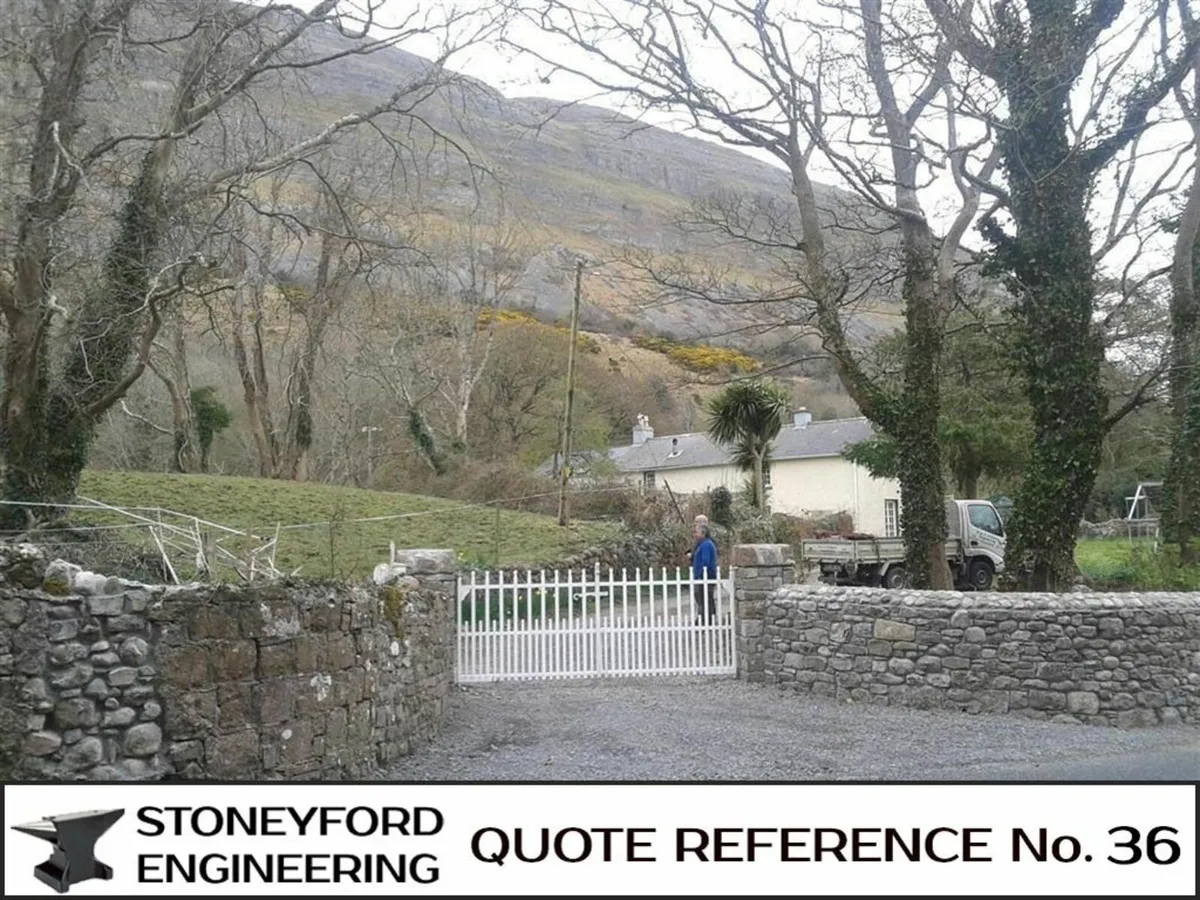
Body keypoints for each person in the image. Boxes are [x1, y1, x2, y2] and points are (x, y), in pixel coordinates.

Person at [690, 519, 718, 623]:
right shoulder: (704, 544)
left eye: (696, 532)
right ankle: (707, 619)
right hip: (703, 576)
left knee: (703, 599)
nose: (694, 534)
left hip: (705, 577)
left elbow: (705, 561)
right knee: (705, 599)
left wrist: (700, 574)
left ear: (703, 533)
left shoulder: (706, 545)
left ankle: (705, 620)